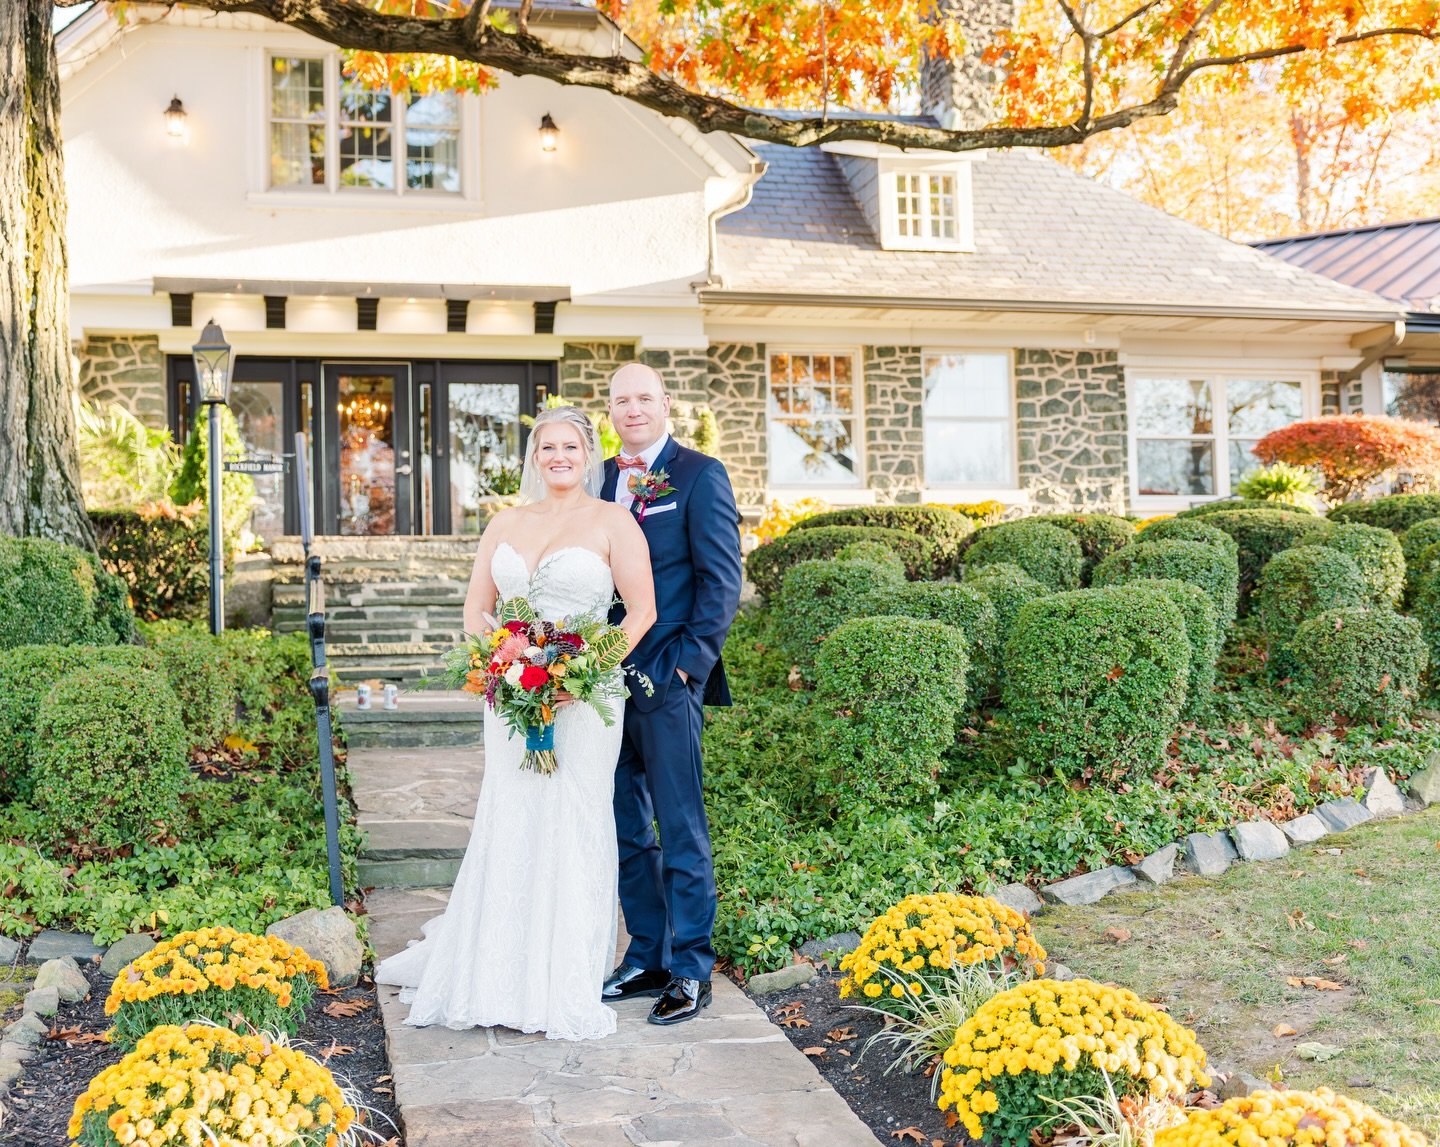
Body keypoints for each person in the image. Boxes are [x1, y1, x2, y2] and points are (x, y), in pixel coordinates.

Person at [376, 406, 656, 1041]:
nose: (559, 457)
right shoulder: (505, 523)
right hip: (509, 698)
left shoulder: (613, 522)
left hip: (585, 702)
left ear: (589, 455)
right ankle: (497, 971)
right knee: (512, 815)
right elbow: (477, 609)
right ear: (534, 458)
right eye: (547, 447)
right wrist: (498, 663)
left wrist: (577, 676)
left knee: (572, 820)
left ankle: (560, 979)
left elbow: (641, 612)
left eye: (570, 447)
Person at [599, 362, 743, 1025]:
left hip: (668, 674)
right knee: (626, 824)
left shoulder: (699, 474)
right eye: (621, 400)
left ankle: (690, 967)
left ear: (665, 404)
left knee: (680, 824)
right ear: (609, 411)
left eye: (644, 398)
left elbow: (721, 579)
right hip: (599, 682)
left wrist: (688, 667)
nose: (633, 409)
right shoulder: (599, 478)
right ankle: (647, 954)